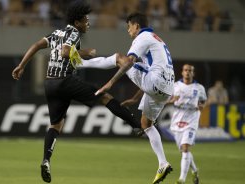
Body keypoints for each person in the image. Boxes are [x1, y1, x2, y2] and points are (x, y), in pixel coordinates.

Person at [11, 1, 142, 183]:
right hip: (64, 80)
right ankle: (136, 124)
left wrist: (21, 65)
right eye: (85, 20)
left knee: (55, 126)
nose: (88, 23)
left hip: (49, 83)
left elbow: (36, 45)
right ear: (77, 21)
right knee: (104, 96)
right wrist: (85, 52)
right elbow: (66, 52)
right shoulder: (73, 32)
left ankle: (46, 160)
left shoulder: (56, 32)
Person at [90, 12, 175, 184]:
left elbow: (128, 62)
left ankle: (80, 63)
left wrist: (110, 83)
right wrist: (136, 98)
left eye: (129, 26)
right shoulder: (157, 39)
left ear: (136, 26)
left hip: (156, 82)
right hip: (166, 89)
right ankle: (163, 163)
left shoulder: (142, 37)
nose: (128, 30)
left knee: (119, 58)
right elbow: (148, 72)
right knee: (146, 124)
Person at [168, 64, 207, 184]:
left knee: (185, 148)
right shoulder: (175, 86)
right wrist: (172, 100)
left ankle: (182, 179)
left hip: (192, 120)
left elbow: (203, 101)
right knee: (184, 151)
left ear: (193, 73)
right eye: (186, 70)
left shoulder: (199, 87)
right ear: (182, 72)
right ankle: (195, 170)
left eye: (190, 71)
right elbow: (166, 101)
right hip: (177, 121)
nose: (188, 72)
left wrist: (201, 106)